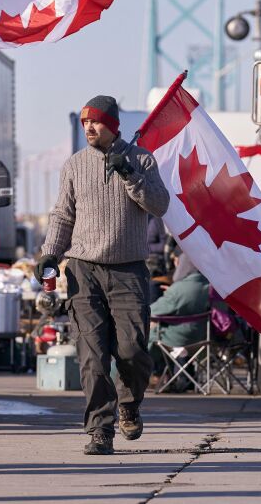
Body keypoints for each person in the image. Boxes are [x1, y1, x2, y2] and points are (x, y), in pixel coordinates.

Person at [36, 95, 169, 455]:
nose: (89, 128)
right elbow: (63, 214)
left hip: (129, 271)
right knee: (92, 357)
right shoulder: (74, 165)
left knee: (132, 352)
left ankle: (129, 403)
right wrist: (50, 252)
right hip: (84, 271)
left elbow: (160, 204)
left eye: (95, 122)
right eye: (84, 123)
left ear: (113, 125)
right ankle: (100, 429)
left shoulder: (141, 159)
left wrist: (131, 175)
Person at [147, 256, 209, 387]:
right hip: (204, 337)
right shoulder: (211, 285)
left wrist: (171, 295)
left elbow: (151, 311)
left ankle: (150, 376)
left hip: (178, 339)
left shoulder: (179, 289)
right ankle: (166, 378)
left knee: (147, 337)